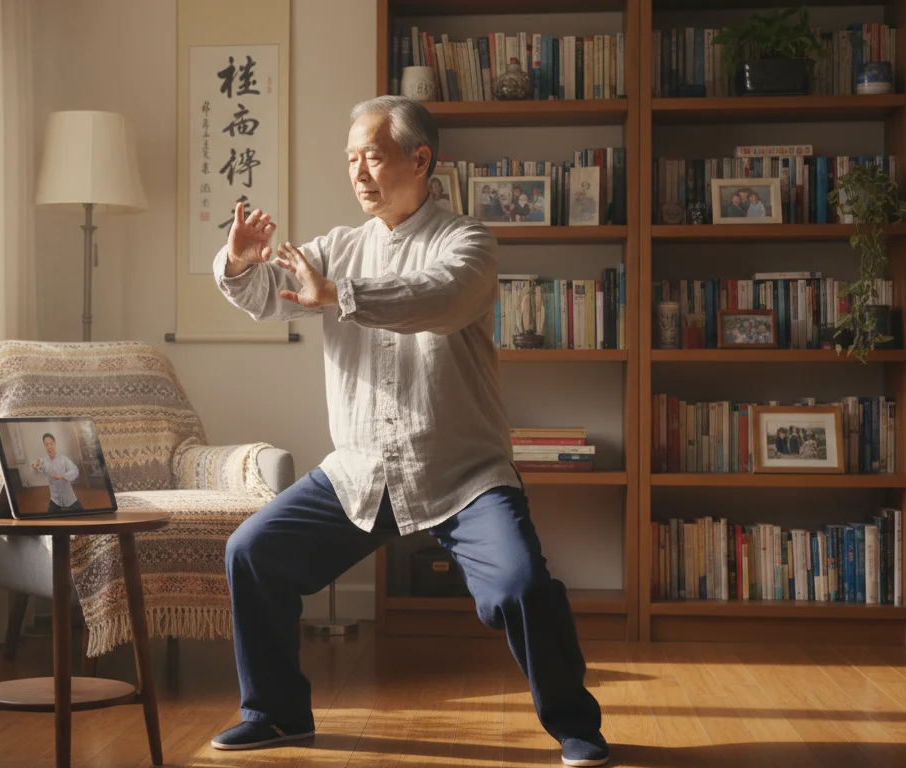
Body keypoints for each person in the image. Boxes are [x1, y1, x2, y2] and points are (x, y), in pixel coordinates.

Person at [208, 94, 609, 767]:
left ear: (420, 160)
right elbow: (264, 299)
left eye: (374, 156)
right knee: (252, 552)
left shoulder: (469, 242)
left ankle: (576, 725)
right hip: (360, 470)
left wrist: (339, 296)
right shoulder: (337, 247)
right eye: (350, 160)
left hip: (461, 471)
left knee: (519, 587)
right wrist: (244, 263)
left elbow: (439, 299)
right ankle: (275, 713)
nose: (359, 173)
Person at [29, 432, 84, 514]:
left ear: (54, 444)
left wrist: (63, 476)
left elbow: (74, 470)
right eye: (46, 444)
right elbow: (37, 467)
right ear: (44, 446)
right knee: (50, 518)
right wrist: (34, 465)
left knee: (82, 514)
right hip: (55, 498)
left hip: (68, 495)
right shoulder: (43, 460)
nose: (49, 446)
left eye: (51, 444)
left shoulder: (63, 459)